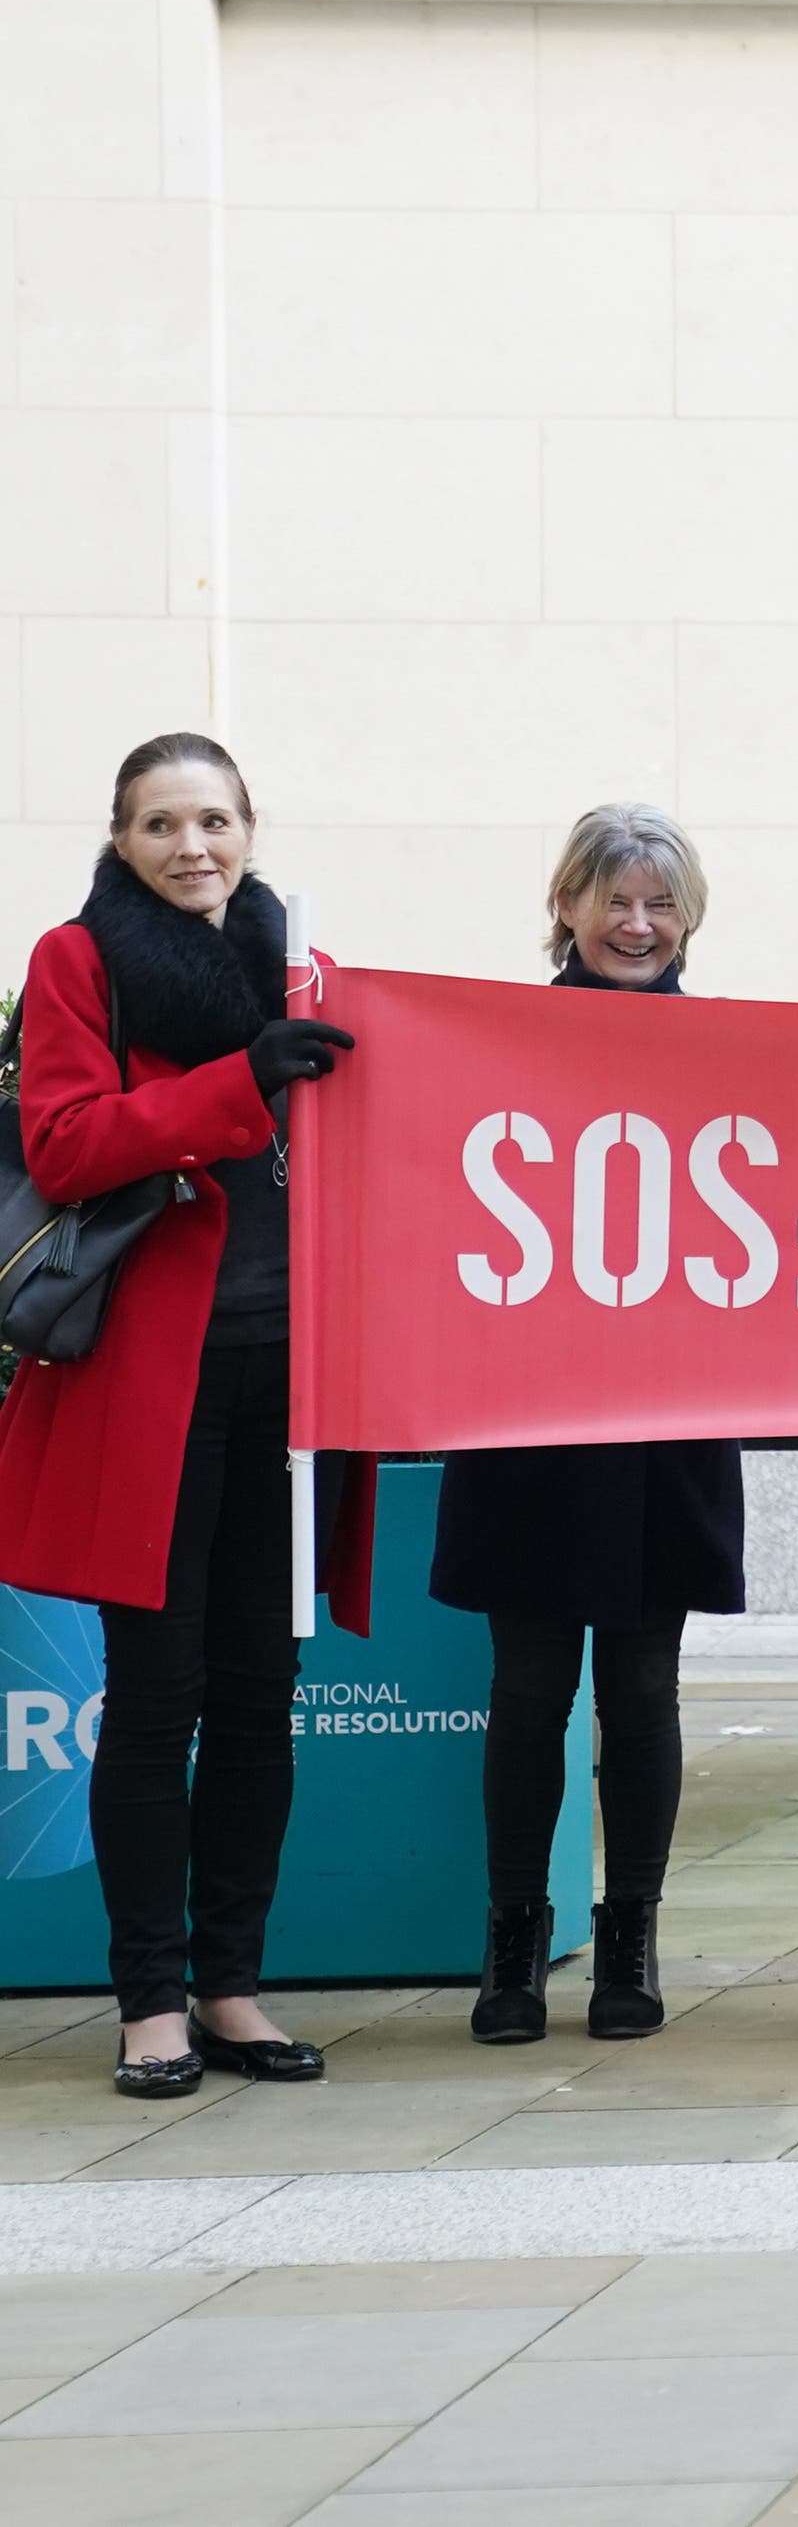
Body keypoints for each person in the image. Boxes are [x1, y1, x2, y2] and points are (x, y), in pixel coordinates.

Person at [0, 733, 352, 2097]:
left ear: (250, 828)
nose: (191, 845)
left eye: (212, 819)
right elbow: (68, 1143)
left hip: (288, 1376)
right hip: (153, 1375)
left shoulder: (298, 958)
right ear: (122, 837)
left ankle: (231, 1987)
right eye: (160, 824)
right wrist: (239, 1082)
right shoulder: (77, 959)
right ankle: (150, 2003)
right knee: (158, 1700)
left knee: (264, 1697)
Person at [432, 807, 749, 2045]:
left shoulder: (733, 1051)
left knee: (644, 1686)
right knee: (526, 1689)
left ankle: (632, 1934)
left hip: (669, 1410)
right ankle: (514, 1940)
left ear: (689, 916)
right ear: (565, 907)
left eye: (659, 903)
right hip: (530, 1406)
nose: (635, 925)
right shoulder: (496, 1039)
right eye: (612, 899)